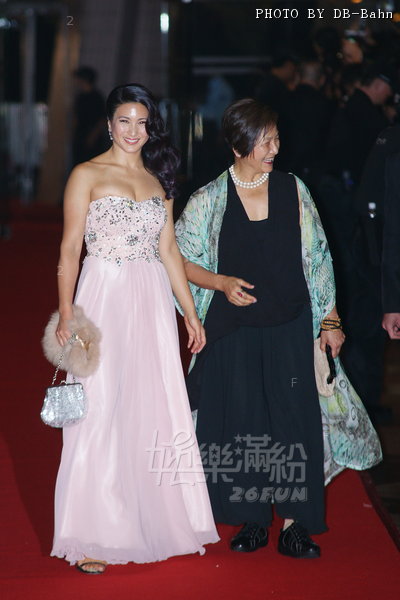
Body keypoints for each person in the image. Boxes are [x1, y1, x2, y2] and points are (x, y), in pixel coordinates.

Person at [175, 99, 382, 558]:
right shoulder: (208, 199)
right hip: (234, 331)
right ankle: (251, 520)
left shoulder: (294, 189)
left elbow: (319, 257)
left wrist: (330, 321)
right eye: (264, 141)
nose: (274, 148)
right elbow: (179, 261)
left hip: (290, 325)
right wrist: (220, 283)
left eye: (276, 138)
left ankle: (294, 524)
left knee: (294, 423)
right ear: (237, 146)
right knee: (243, 424)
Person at [51, 83, 219, 573]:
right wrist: (66, 312)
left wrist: (190, 313)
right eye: (124, 121)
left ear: (151, 128)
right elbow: (69, 249)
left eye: (142, 123)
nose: (133, 131)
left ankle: (161, 519)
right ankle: (89, 534)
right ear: (109, 124)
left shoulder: (158, 178)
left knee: (155, 403)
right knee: (98, 406)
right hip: (102, 298)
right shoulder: (86, 174)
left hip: (150, 301)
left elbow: (169, 251)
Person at [72, 67, 109, 165]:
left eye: (78, 78)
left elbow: (102, 119)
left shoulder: (97, 97)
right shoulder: (80, 96)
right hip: (80, 134)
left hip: (93, 136)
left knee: (90, 162)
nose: (76, 81)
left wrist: (93, 136)